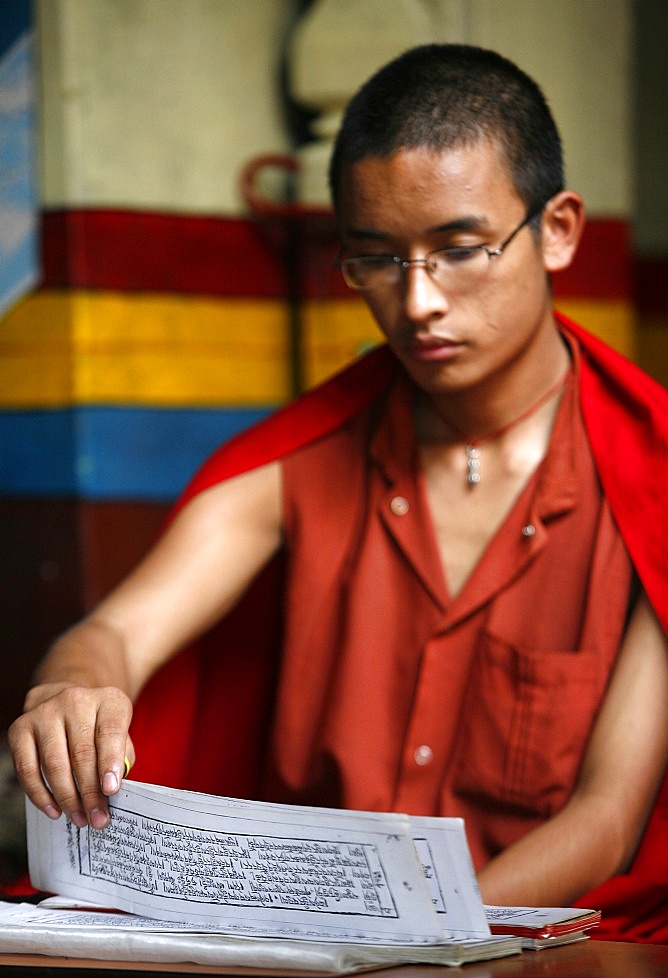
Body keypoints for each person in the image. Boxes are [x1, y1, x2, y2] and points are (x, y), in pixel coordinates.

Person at [8, 45, 668, 921]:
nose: (419, 301)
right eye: (378, 259)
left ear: (558, 230)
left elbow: (608, 818)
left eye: (459, 249)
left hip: (526, 953)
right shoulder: (300, 461)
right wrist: (71, 689)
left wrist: (415, 937)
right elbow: (115, 633)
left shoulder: (649, 479)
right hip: (299, 947)